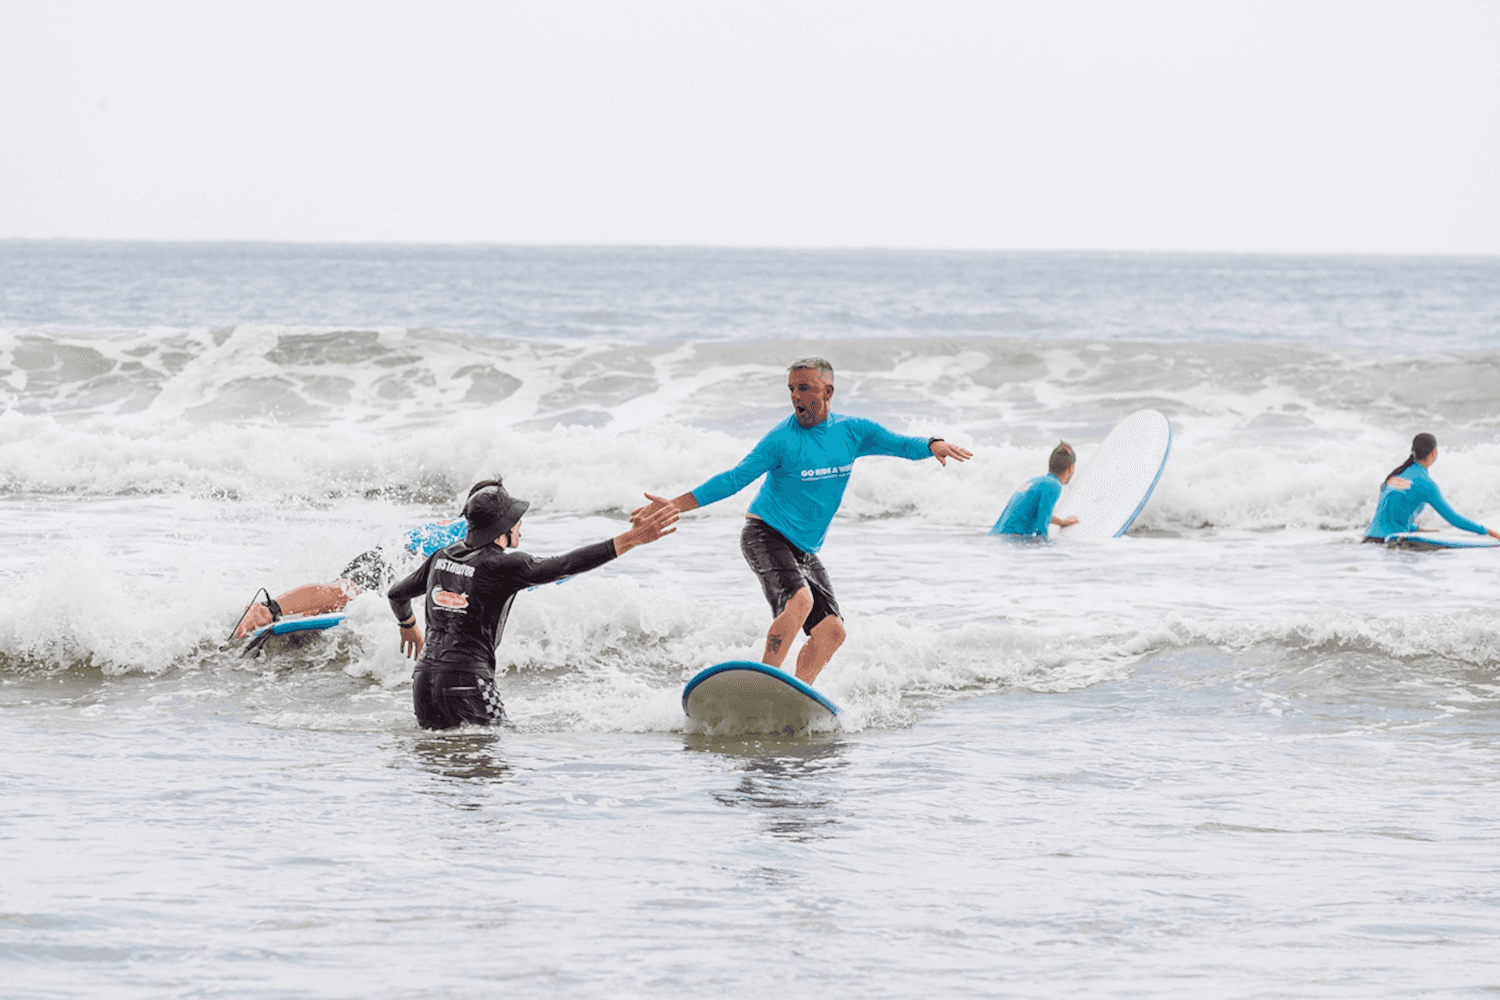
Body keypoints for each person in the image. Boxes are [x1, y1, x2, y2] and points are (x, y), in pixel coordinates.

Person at [632, 357, 973, 686]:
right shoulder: (782, 439)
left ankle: (795, 694)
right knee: (800, 601)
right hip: (765, 533)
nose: (796, 396)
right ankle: (765, 680)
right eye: (792, 389)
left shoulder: (853, 432)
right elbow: (734, 478)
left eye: (805, 388)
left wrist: (933, 444)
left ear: (828, 392)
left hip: (805, 548)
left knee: (832, 632)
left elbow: (900, 444)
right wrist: (675, 505)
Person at [389, 482, 679, 730]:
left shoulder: (442, 557)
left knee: (442, 773)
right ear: (503, 528)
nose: (520, 525)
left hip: (423, 683)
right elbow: (566, 565)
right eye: (516, 519)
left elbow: (397, 594)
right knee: (491, 769)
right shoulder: (502, 565)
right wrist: (633, 538)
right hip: (468, 682)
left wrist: (408, 626)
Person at [232, 480, 499, 638]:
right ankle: (267, 609)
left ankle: (288, 611)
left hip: (382, 556)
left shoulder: (458, 525)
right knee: (340, 594)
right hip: (391, 564)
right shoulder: (474, 534)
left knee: (335, 596)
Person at [1363, 433, 1500, 544]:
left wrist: (1417, 529)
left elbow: (1390, 512)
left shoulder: (1395, 475)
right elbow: (1453, 519)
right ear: (1434, 453)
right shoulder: (1425, 483)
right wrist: (1486, 531)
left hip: (1368, 541)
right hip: (1388, 545)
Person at [989, 441, 1079, 537]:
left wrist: (1061, 522)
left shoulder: (1035, 481)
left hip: (995, 536)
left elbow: (1037, 511)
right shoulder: (1054, 485)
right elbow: (1042, 526)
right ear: (1071, 468)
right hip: (1009, 540)